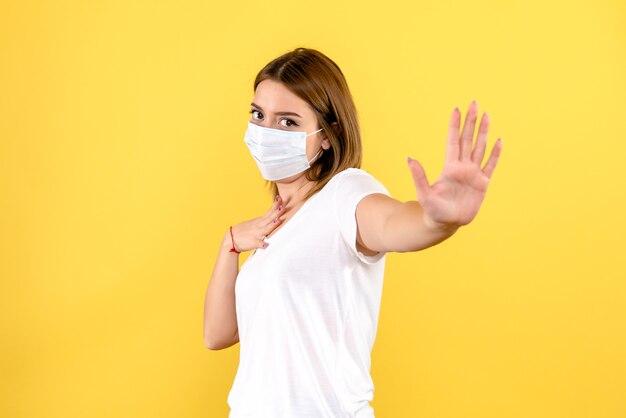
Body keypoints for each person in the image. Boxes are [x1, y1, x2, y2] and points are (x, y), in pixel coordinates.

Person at [203, 47, 502, 418]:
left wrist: (437, 220)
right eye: (258, 115)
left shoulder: (346, 193)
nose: (265, 132)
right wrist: (229, 244)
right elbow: (217, 335)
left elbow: (393, 225)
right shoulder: (275, 227)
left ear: (328, 136)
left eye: (288, 122)